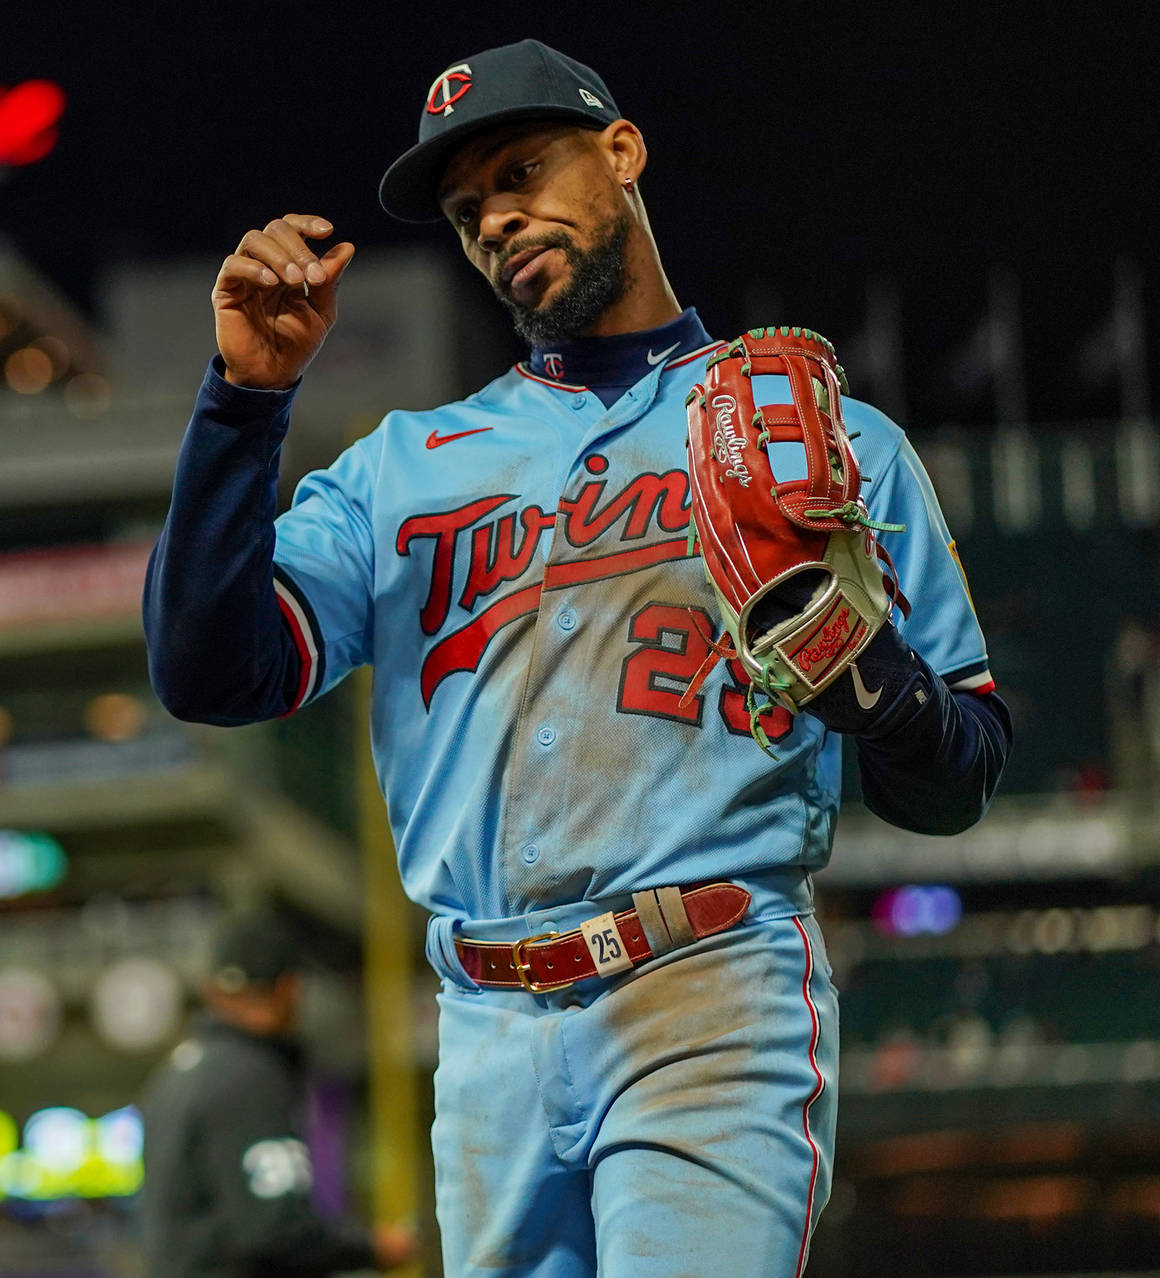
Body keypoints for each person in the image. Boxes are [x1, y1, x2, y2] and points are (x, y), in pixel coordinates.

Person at [143, 37, 1013, 1278]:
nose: (499, 216)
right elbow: (210, 674)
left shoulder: (816, 438)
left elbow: (961, 775)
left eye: (524, 168)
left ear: (621, 151)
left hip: (705, 989)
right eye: (467, 208)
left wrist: (882, 696)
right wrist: (241, 403)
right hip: (485, 1028)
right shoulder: (401, 470)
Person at [139, 913, 418, 1277]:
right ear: (289, 989)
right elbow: (275, 1231)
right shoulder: (251, 1073)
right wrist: (371, 1248)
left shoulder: (174, 1071)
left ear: (213, 991)